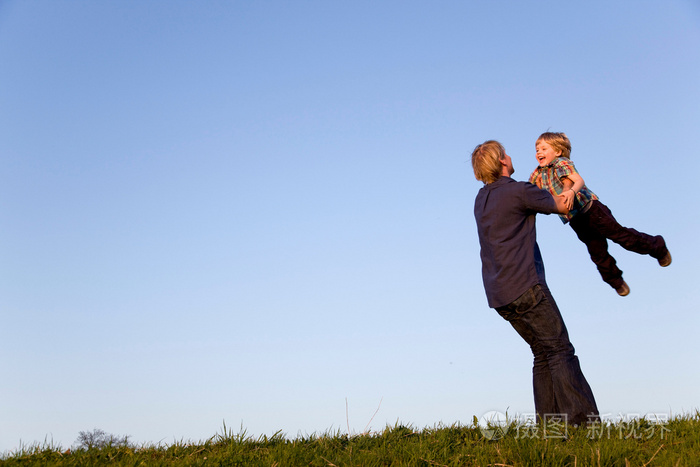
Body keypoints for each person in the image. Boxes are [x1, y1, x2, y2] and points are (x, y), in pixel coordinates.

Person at [472, 140, 599, 427]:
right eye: (507, 152)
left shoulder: (481, 200)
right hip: (527, 286)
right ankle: (584, 425)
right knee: (560, 350)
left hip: (499, 295)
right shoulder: (519, 190)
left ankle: (551, 430)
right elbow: (563, 204)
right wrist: (572, 182)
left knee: (542, 354)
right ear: (503, 161)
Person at [529, 132, 671, 296]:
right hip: (576, 220)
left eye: (544, 148)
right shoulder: (537, 174)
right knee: (597, 252)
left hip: (592, 210)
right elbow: (529, 192)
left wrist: (571, 192)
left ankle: (658, 247)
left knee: (622, 237)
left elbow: (579, 180)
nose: (539, 152)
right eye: (537, 149)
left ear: (558, 151)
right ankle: (616, 281)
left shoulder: (561, 163)